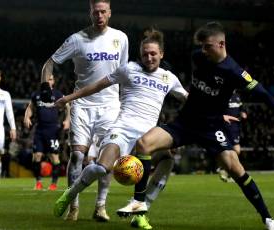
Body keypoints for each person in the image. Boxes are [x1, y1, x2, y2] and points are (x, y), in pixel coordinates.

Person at [117, 22, 274, 230]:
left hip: (212, 127)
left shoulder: (234, 71)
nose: (203, 50)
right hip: (185, 122)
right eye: (201, 45)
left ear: (221, 44)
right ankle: (138, 204)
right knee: (144, 143)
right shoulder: (198, 57)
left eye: (207, 46)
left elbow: (261, 92)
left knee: (236, 170)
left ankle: (267, 218)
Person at [52, 28, 198, 225]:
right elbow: (97, 85)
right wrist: (68, 98)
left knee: (167, 161)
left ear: (161, 54)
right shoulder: (128, 69)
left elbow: (189, 99)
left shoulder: (169, 78)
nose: (149, 57)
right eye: (145, 53)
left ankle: (140, 211)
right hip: (122, 129)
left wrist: (217, 112)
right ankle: (70, 194)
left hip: (148, 136)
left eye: (153, 53)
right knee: (101, 168)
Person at [41, 0, 129, 221]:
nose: (99, 15)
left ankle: (100, 206)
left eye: (103, 11)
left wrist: (125, 103)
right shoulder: (77, 39)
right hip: (82, 104)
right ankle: (73, 206)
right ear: (90, 13)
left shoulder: (121, 38)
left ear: (110, 13)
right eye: (95, 12)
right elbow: (49, 63)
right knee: (78, 154)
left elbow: (124, 74)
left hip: (110, 106)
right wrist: (45, 88)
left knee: (105, 158)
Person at [23, 75, 70, 191]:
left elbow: (68, 106)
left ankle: (53, 184)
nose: (48, 81)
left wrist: (67, 120)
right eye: (47, 79)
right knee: (37, 156)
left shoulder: (58, 94)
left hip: (53, 131)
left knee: (54, 157)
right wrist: (27, 117)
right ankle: (38, 182)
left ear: (53, 81)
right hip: (39, 130)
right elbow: (30, 107)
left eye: (51, 79)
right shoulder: (36, 95)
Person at [218, 91, 247, 182]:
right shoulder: (223, 95)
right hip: (224, 125)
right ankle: (227, 169)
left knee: (236, 150)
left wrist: (243, 113)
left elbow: (242, 108)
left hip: (235, 127)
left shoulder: (237, 96)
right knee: (231, 149)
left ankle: (225, 169)